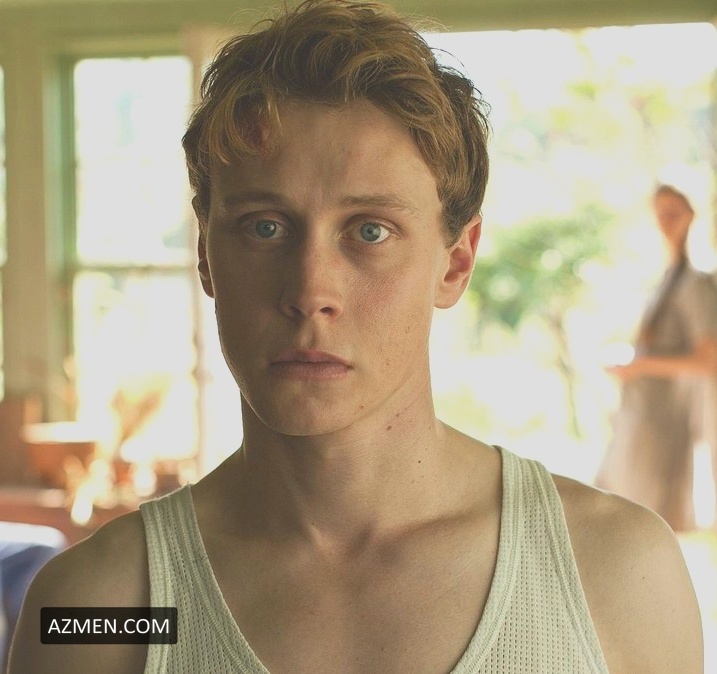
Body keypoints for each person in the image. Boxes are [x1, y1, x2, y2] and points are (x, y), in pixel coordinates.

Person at [9, 2, 703, 672]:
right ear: (205, 255)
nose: (310, 289)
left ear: (455, 263)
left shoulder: (613, 574)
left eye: (370, 230)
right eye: (264, 227)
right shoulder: (105, 609)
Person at [596, 184, 717, 532]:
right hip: (640, 420)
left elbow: (708, 361)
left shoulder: (695, 283)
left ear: (691, 215)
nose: (666, 220)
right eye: (660, 213)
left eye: (674, 212)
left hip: (662, 431)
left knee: (641, 529)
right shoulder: (667, 279)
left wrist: (641, 365)